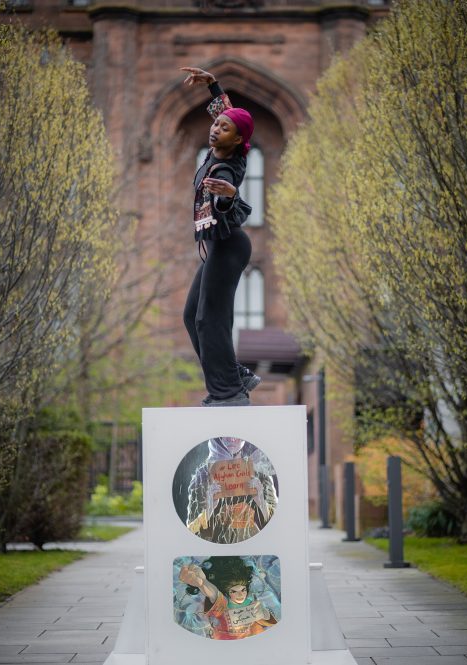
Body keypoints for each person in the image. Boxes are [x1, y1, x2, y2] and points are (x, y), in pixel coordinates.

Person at [181, 66, 261, 407]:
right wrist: (213, 84)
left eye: (224, 128)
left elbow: (225, 202)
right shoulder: (223, 150)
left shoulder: (227, 169)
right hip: (219, 248)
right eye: (216, 124)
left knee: (208, 318)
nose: (216, 129)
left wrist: (227, 197)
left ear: (238, 140)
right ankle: (235, 376)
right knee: (191, 315)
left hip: (229, 246)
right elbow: (228, 111)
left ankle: (227, 393)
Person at [185, 436, 278, 543]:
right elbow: (191, 532)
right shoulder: (202, 476)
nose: (232, 440)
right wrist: (209, 509)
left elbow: (277, 527)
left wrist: (261, 501)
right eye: (226, 435)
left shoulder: (260, 471)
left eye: (237, 436)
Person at [178, 556, 278, 640]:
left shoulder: (252, 603)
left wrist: (264, 614)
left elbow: (271, 622)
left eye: (243, 590)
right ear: (227, 592)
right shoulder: (222, 606)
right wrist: (203, 583)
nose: (240, 594)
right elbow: (213, 594)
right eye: (234, 591)